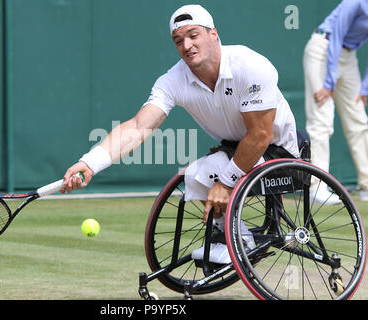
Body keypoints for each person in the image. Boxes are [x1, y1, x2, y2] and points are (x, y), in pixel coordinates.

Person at [60, 4, 299, 263]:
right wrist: (90, 163)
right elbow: (138, 127)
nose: (186, 45)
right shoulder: (173, 80)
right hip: (236, 148)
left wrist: (227, 182)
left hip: (278, 152)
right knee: (196, 174)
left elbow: (260, 135)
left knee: (207, 172)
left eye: (193, 35)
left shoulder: (250, 65)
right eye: (178, 40)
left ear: (213, 34)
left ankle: (238, 241)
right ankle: (236, 235)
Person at [303, 0, 368, 204]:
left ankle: (366, 185)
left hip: (349, 58)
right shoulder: (356, 2)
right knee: (321, 122)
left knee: (359, 121)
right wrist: (329, 82)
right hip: (323, 49)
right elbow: (337, 35)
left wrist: (365, 87)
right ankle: (317, 188)